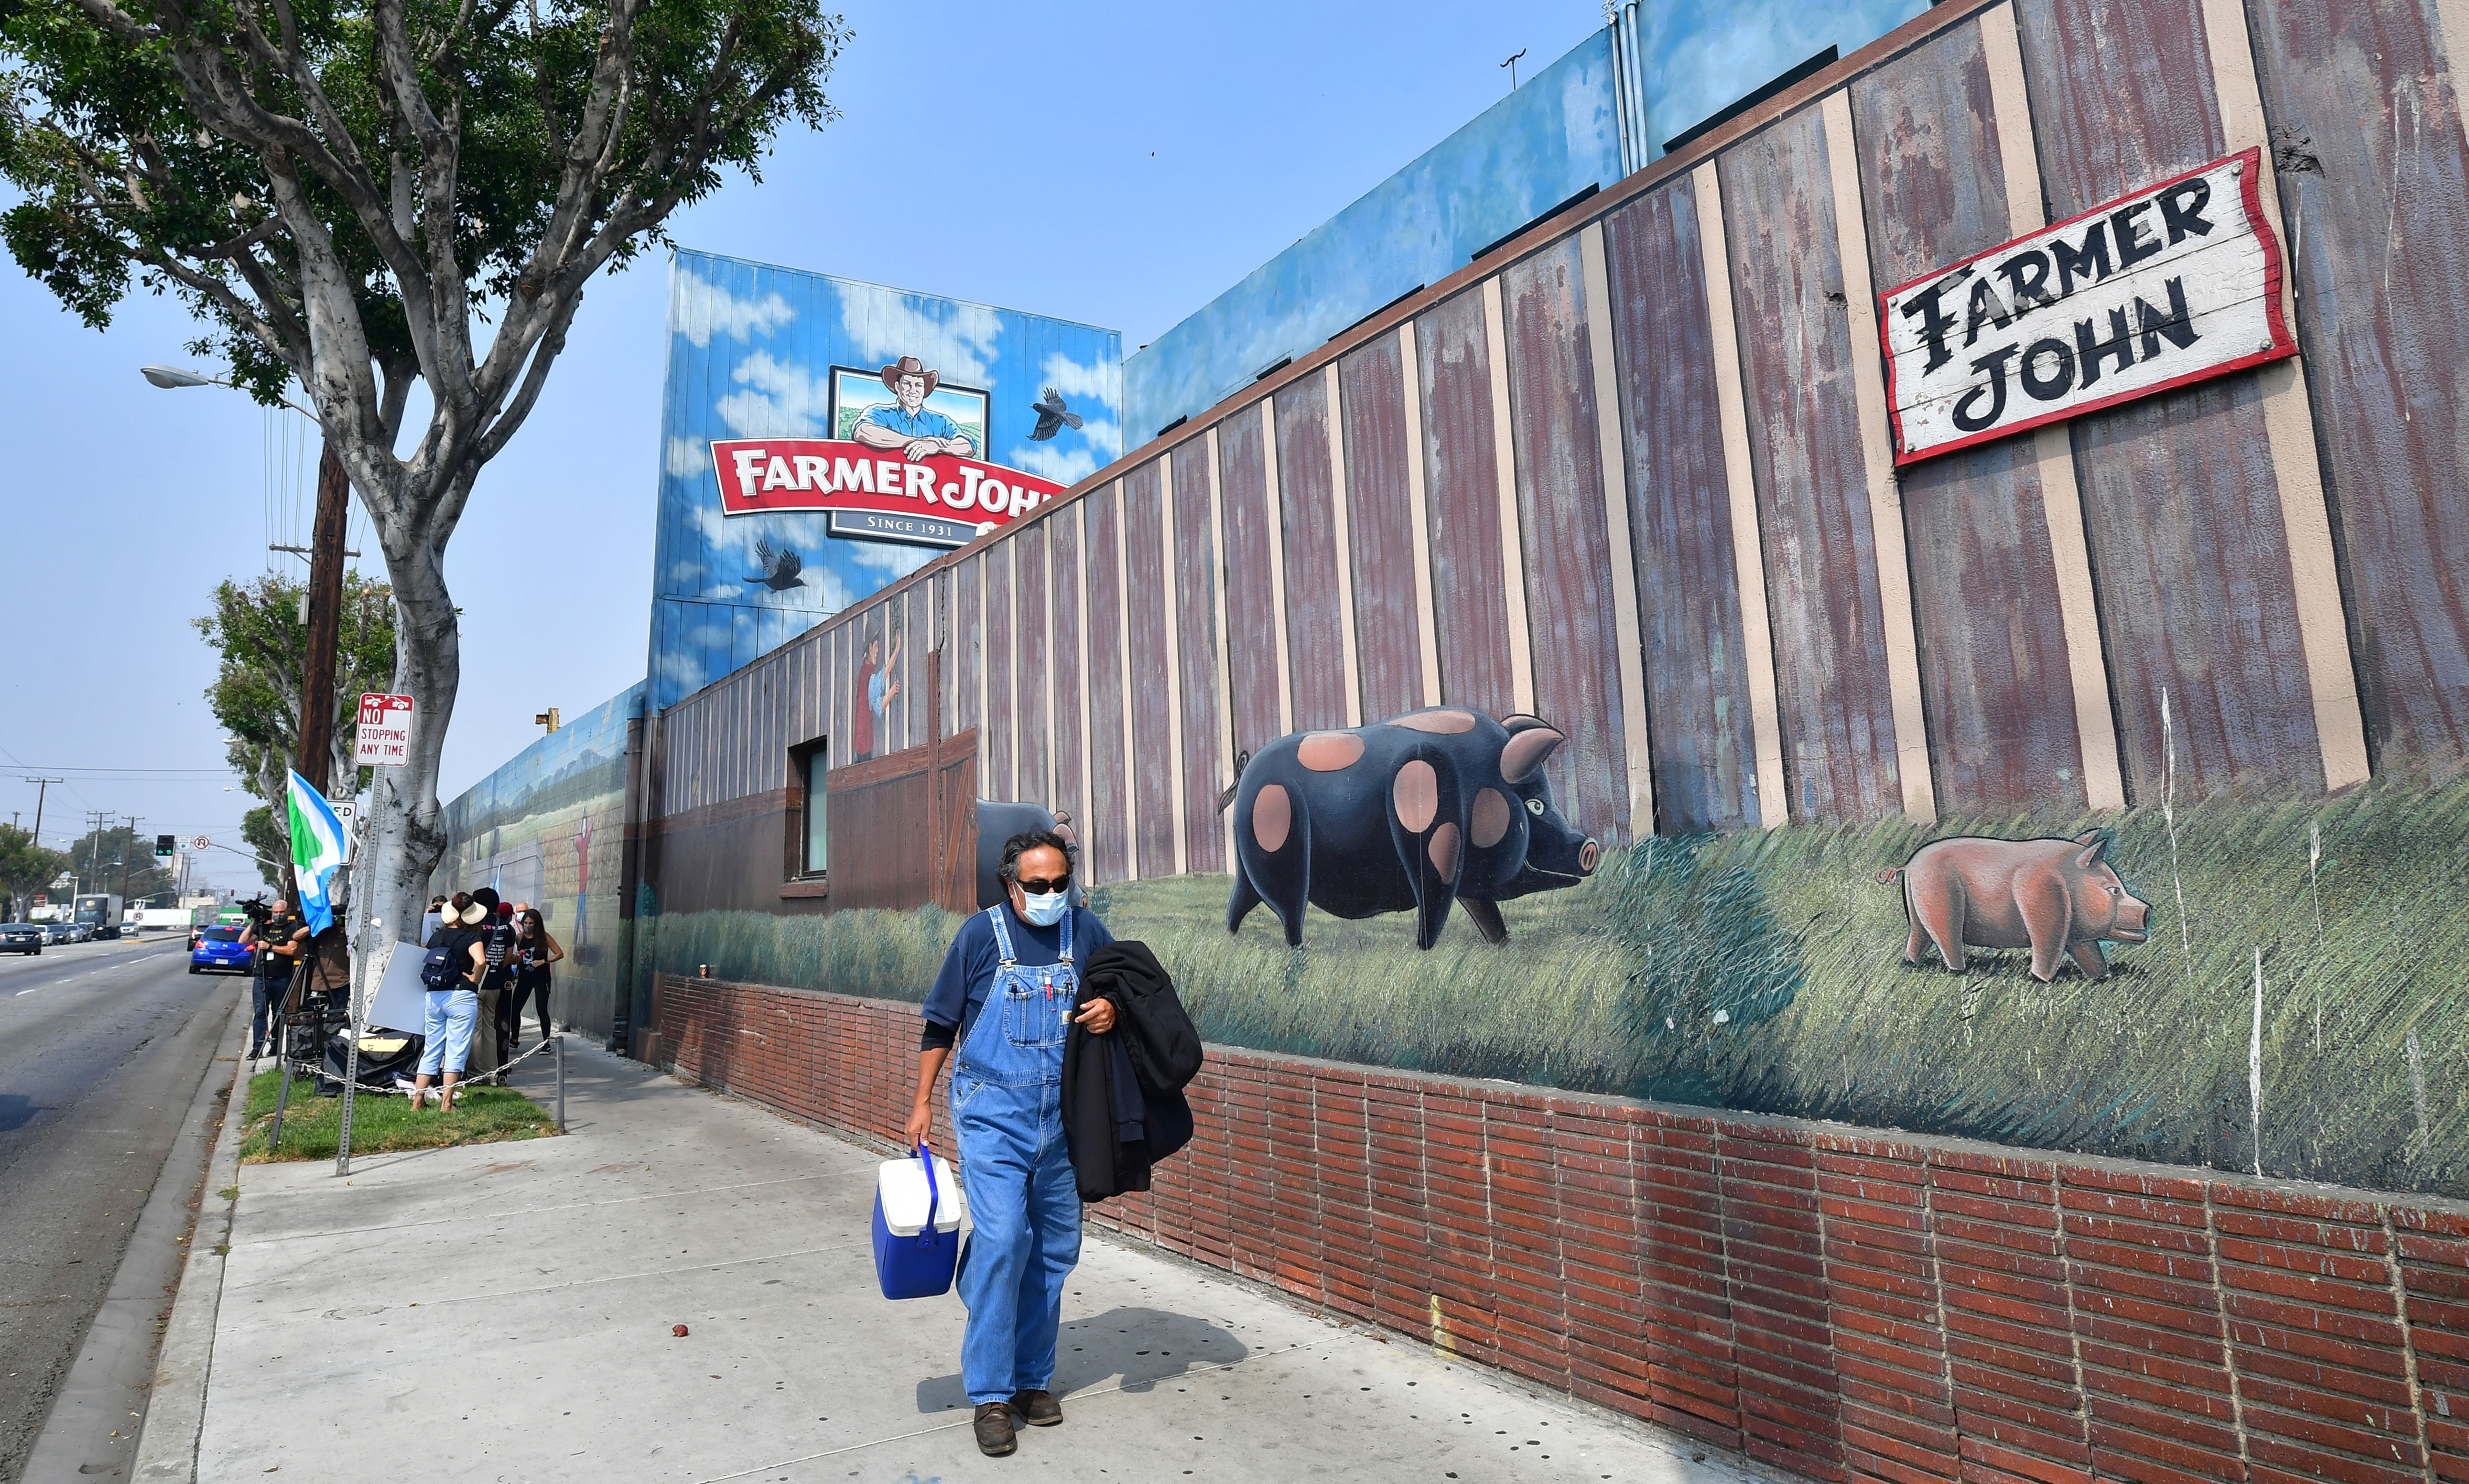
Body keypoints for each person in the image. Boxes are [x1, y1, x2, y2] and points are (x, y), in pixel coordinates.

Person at [905, 830, 1116, 1458]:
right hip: (993, 1113)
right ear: (1011, 883)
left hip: (1064, 1115)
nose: (1053, 895)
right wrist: (920, 1101)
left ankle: (1030, 1379)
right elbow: (941, 1022)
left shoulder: (1088, 931)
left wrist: (1109, 1009)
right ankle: (991, 1393)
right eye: (1039, 885)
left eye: (1062, 883)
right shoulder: (979, 936)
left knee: (1053, 1247)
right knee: (1002, 1238)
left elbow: (1121, 995)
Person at [413, 894, 489, 1111]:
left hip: (434, 996)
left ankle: (418, 1101)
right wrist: (476, 977)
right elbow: (481, 960)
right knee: (456, 1049)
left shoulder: (437, 937)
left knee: (432, 1048)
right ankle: (447, 1103)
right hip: (461, 996)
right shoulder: (472, 938)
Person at [852, 355, 974, 461]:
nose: (913, 390)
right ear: (897, 386)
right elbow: (862, 431)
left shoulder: (941, 422)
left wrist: (938, 447)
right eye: (907, 384)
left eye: (918, 385)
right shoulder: (880, 413)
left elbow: (967, 446)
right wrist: (914, 441)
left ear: (924, 389)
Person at [239, 897, 309, 1060]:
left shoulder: (293, 927)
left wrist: (270, 947)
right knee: (260, 1012)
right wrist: (254, 922)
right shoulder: (266, 927)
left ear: (288, 912)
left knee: (279, 1013)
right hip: (262, 977)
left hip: (282, 977)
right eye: (276, 912)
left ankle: (275, 1046)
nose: (278, 915)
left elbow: (291, 950)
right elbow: (242, 940)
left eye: (281, 912)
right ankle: (257, 1047)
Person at [511, 907, 562, 1048]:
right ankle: (514, 1039)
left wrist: (544, 961)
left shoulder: (544, 937)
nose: (528, 926)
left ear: (537, 924)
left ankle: (546, 1043)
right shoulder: (520, 937)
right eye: (526, 923)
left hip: (541, 977)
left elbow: (559, 953)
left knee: (541, 1009)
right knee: (515, 1008)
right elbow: (518, 956)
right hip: (524, 977)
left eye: (531, 923)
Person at [853, 626, 902, 761]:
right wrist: (897, 650)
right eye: (875, 646)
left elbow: (881, 679)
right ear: (869, 648)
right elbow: (879, 705)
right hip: (864, 748)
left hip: (860, 746)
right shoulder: (868, 674)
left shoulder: (864, 670)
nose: (877, 651)